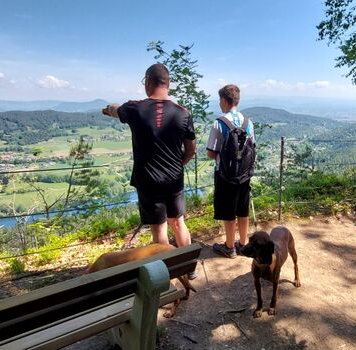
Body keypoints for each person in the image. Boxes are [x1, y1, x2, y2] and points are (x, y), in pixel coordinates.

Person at [102, 63, 197, 276]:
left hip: (148, 181)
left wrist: (108, 108)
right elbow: (191, 150)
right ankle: (189, 267)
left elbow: (115, 109)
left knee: (159, 230)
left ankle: (168, 273)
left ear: (147, 81)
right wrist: (177, 165)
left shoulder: (135, 109)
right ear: (168, 84)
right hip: (174, 180)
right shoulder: (183, 113)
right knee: (178, 223)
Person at [206, 84, 256, 258]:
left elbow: (211, 152)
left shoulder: (219, 123)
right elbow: (252, 147)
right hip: (244, 174)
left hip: (225, 175)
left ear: (223, 100)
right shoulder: (248, 122)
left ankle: (229, 247)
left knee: (228, 211)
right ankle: (243, 244)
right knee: (243, 209)